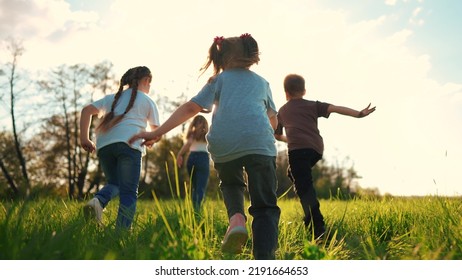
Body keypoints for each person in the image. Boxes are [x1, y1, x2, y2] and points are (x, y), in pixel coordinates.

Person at [129, 34, 280, 259]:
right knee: (265, 206)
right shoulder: (262, 82)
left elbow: (191, 108)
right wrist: (266, 133)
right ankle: (264, 261)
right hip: (258, 143)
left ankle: (237, 219)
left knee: (230, 184)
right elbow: (273, 119)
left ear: (221, 56)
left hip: (224, 144)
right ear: (251, 55)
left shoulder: (217, 81)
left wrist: (157, 132)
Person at [274, 73, 376, 239]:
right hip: (315, 149)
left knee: (304, 187)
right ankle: (312, 218)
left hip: (297, 152)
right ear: (304, 91)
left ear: (285, 93)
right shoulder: (313, 105)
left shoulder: (282, 111)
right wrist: (359, 113)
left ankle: (317, 228)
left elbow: (277, 135)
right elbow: (336, 108)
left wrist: (290, 138)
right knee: (294, 175)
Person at [80, 66, 160, 230]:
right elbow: (157, 132)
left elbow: (86, 110)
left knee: (115, 183)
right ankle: (122, 233)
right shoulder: (147, 100)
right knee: (129, 191)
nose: (150, 87)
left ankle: (98, 201)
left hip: (104, 146)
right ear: (145, 81)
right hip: (129, 145)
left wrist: (84, 138)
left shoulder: (111, 98)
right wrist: (151, 140)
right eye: (149, 83)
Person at [176, 115, 210, 210]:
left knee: (195, 187)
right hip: (203, 158)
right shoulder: (208, 134)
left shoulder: (192, 134)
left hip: (192, 158)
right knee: (201, 187)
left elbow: (188, 144)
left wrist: (180, 154)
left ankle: (195, 208)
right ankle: (198, 210)